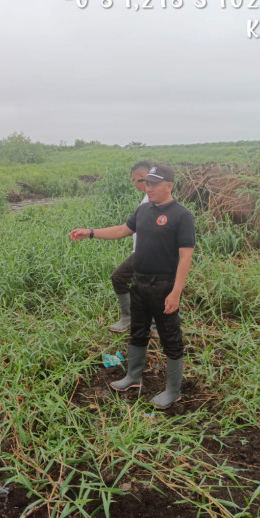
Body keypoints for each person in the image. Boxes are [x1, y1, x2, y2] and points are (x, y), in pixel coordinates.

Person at [69, 164, 195, 408]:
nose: (149, 188)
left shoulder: (182, 216)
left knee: (170, 337)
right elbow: (122, 230)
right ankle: (133, 377)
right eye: (147, 183)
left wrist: (176, 292)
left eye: (154, 184)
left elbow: (186, 256)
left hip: (164, 286)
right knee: (138, 331)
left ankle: (173, 390)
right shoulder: (144, 210)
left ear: (169, 186)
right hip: (139, 282)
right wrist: (91, 232)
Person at [109, 160, 156, 337]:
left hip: (147, 254)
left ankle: (141, 322)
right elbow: (127, 229)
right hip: (141, 252)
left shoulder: (151, 202)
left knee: (126, 280)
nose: (134, 183)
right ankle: (140, 322)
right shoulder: (147, 200)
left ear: (143, 179)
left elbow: (125, 230)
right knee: (136, 283)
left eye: (135, 180)